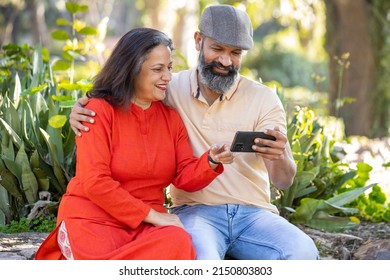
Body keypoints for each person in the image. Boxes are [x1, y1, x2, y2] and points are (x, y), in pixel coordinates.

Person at [69, 5, 319, 260]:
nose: (225, 60)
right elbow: (124, 92)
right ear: (198, 41)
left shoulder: (264, 98)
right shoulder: (170, 89)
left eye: (235, 53)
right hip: (196, 212)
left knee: (303, 253)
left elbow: (283, 181)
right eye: (217, 49)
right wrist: (82, 107)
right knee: (199, 259)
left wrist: (279, 155)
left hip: (254, 214)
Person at [35, 27, 234, 260]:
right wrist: (154, 215)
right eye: (158, 69)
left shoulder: (170, 118)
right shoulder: (97, 111)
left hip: (146, 227)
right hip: (94, 219)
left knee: (177, 241)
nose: (168, 77)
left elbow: (184, 175)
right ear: (131, 70)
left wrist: (210, 161)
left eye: (169, 68)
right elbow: (94, 182)